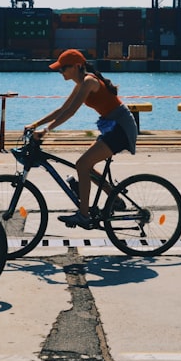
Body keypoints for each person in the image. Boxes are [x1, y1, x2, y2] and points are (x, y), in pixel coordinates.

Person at [26, 49, 138, 228]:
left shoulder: (89, 81)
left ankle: (84, 215)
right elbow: (62, 109)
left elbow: (71, 112)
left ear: (78, 66)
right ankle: (115, 198)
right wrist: (35, 124)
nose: (61, 72)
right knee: (86, 165)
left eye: (64, 68)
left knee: (82, 164)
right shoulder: (80, 83)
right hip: (112, 126)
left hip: (121, 128)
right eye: (60, 69)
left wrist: (46, 131)